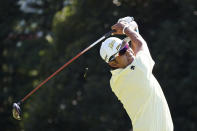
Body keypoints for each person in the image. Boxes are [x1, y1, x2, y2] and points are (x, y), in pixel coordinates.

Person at [99, 17, 174, 131]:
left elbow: (136, 49)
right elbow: (140, 44)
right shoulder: (139, 70)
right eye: (122, 51)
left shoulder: (115, 81)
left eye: (126, 46)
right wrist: (126, 29)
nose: (128, 50)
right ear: (113, 64)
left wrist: (132, 30)